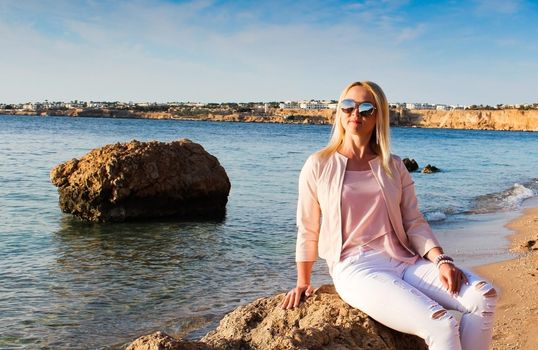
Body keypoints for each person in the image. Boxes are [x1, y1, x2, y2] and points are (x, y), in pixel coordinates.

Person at [280, 81, 497, 350]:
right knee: (441, 324)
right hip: (356, 268)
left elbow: (414, 221)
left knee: (483, 296)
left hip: (405, 260)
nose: (355, 114)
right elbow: (308, 227)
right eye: (348, 106)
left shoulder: (393, 166)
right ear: (339, 111)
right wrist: (303, 281)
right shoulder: (319, 164)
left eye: (366, 108)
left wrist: (440, 259)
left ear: (379, 116)